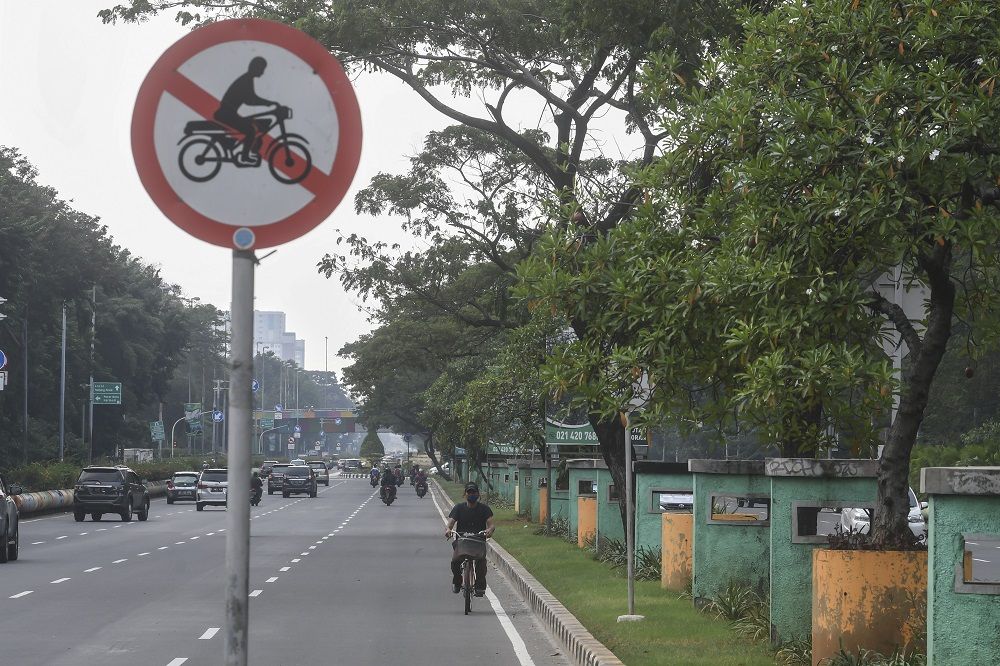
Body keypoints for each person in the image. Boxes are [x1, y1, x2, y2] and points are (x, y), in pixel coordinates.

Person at [215, 56, 276, 166]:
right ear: (255, 68)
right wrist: (269, 103)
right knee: (250, 130)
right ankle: (244, 156)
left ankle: (250, 151)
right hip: (226, 114)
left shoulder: (248, 79)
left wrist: (268, 103)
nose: (263, 72)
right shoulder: (246, 80)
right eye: (262, 69)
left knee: (257, 124)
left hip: (229, 113)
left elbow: (250, 98)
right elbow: (250, 100)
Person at [445, 483, 495, 596]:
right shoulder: (458, 508)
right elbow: (450, 524)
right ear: (465, 494)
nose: (471, 494)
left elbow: (491, 525)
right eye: (469, 492)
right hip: (462, 541)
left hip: (478, 541)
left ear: (478, 494)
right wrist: (448, 530)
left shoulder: (484, 509)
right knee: (455, 562)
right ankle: (457, 581)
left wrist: (490, 531)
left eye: (474, 492)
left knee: (481, 563)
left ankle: (480, 586)